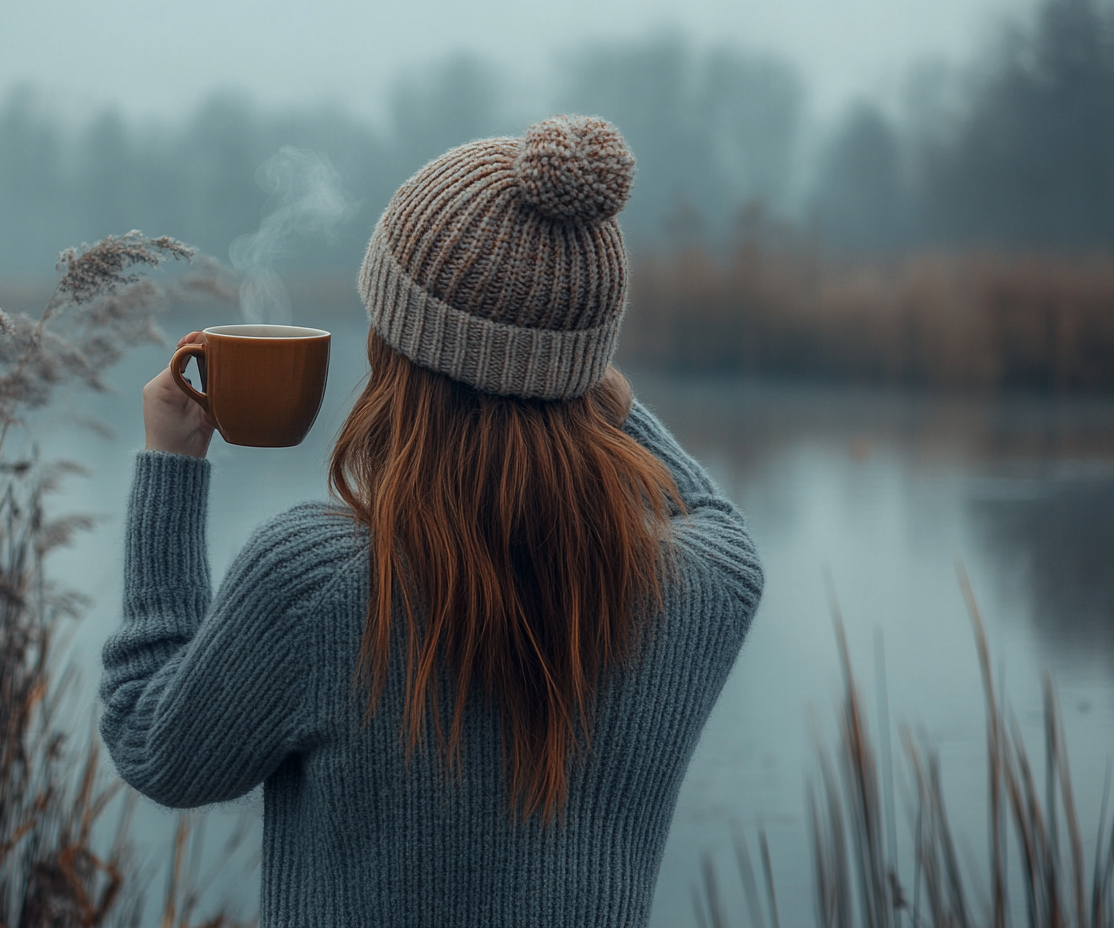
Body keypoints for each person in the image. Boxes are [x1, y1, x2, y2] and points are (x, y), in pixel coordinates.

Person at [100, 115, 763, 927]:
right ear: (585, 367)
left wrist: (171, 470)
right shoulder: (696, 586)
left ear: (396, 347)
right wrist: (569, 368)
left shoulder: (321, 581)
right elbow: (716, 522)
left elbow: (150, 741)